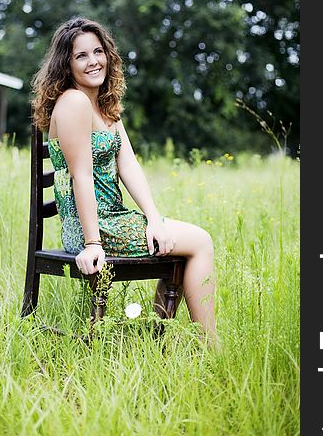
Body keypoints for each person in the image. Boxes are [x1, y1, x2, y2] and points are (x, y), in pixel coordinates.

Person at [31, 17, 217, 342]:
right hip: (93, 228)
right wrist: (92, 244)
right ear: (66, 64)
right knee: (200, 242)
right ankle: (211, 345)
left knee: (179, 242)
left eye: (98, 51)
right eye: (81, 56)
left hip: (115, 220)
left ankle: (156, 338)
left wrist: (154, 220)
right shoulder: (74, 102)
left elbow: (129, 165)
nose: (93, 61)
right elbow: (81, 176)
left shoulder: (103, 106)